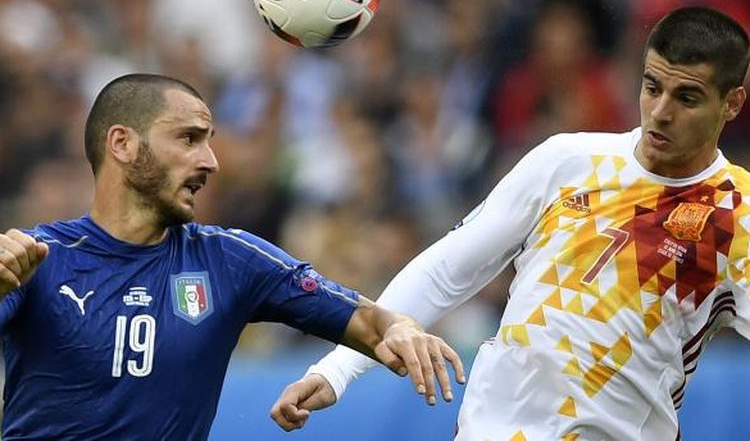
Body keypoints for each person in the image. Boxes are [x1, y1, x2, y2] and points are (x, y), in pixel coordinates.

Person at [272, 6, 750, 440]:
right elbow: (447, 269)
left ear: (732, 103)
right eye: (652, 87)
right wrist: (338, 369)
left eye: (687, 98)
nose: (661, 112)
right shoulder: (568, 160)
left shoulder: (737, 214)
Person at [0, 73, 465, 439]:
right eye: (188, 139)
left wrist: (399, 328)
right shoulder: (39, 259)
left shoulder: (229, 260)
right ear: (122, 143)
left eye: (208, 140)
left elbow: (369, 322)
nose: (210, 160)